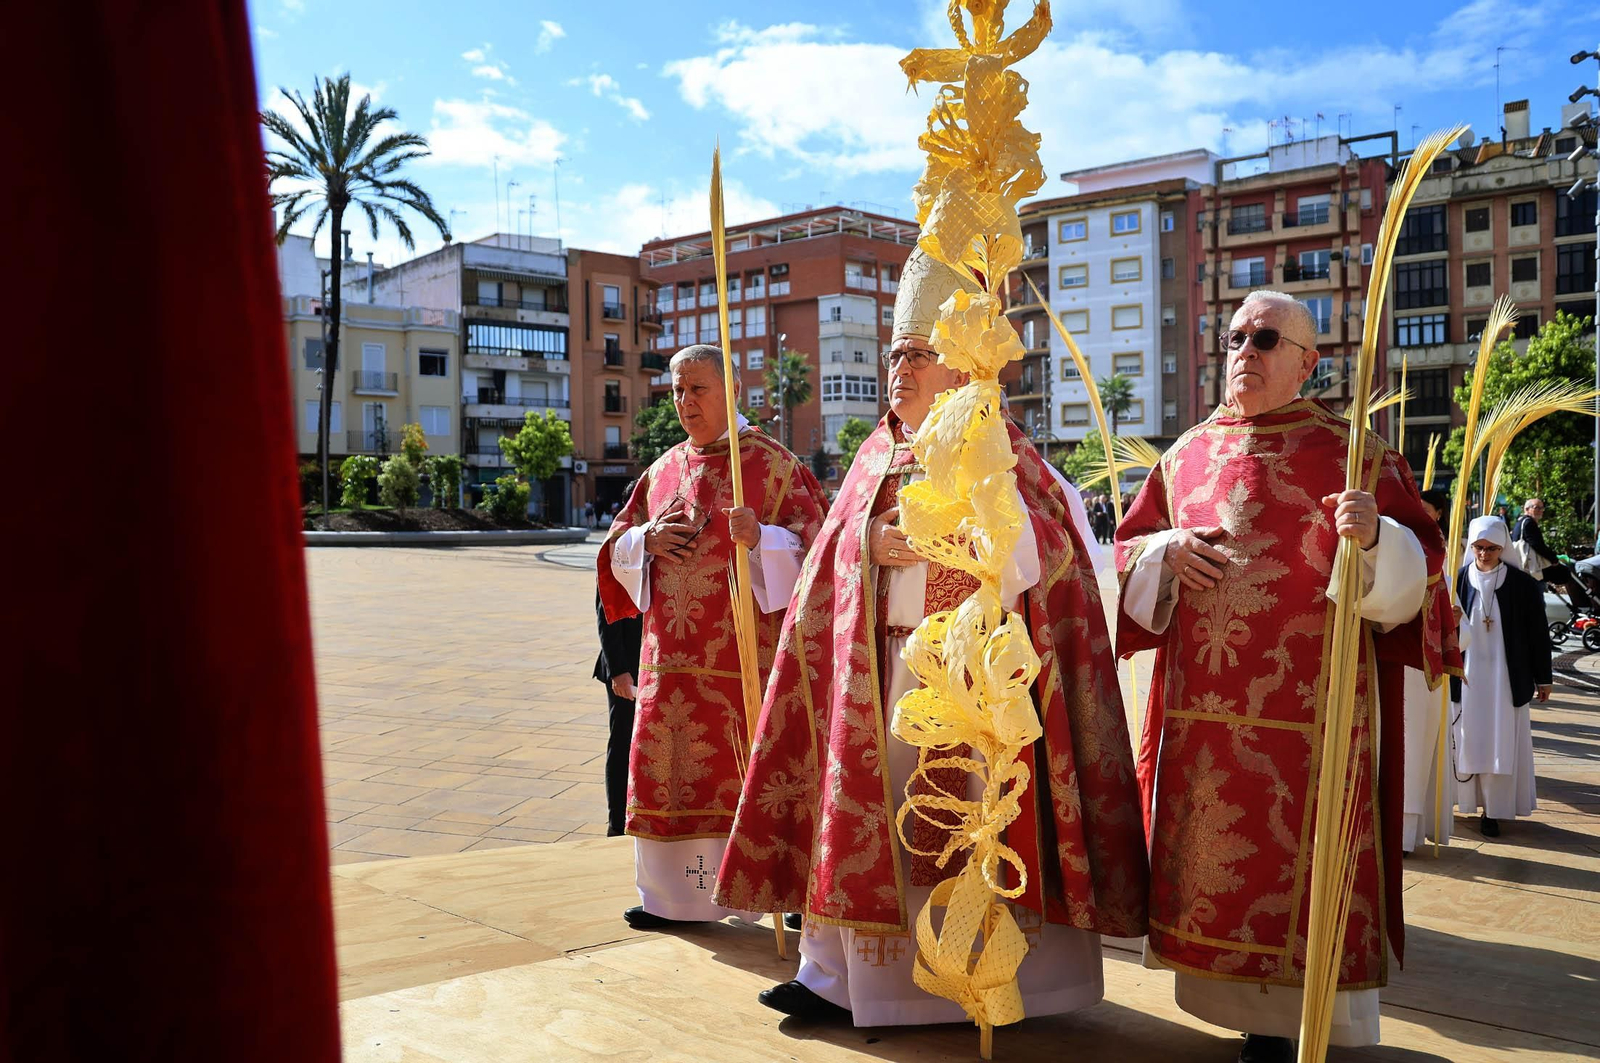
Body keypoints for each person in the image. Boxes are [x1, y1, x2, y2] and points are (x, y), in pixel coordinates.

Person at [716, 249, 1149, 1026]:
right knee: (869, 818)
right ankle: (840, 978)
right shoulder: (875, 451)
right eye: (894, 355)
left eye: (916, 355)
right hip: (882, 669)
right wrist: (868, 547)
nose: (898, 370)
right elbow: (830, 550)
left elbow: (1054, 555)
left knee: (973, 825)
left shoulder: (999, 445)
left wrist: (976, 535)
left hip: (976, 684)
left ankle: (994, 980)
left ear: (956, 365)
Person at [1114, 291, 1457, 1063]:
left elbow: (1427, 573)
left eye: (1266, 338)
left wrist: (1377, 540)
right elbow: (1127, 554)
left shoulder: (1357, 454)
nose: (1245, 349)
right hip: (1202, 728)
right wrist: (1163, 551)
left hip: (1313, 726)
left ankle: (1296, 1027)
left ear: (1309, 361)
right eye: (1233, 335)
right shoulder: (1183, 455)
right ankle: (1239, 1014)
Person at [596, 345, 828, 930]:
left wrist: (767, 537)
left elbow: (822, 548)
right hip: (669, 665)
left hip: (744, 664)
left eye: (697, 388)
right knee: (669, 771)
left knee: (755, 769)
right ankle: (672, 898)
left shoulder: (775, 466)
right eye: (677, 390)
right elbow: (614, 544)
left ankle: (775, 892)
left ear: (731, 388)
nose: (684, 402)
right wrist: (644, 541)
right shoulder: (665, 468)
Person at [1451, 515, 1553, 837]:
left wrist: (1544, 677)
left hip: (1506, 678)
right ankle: (1467, 802)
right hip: (1468, 678)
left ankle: (1493, 811)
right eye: (1479, 547)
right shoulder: (1458, 581)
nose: (1484, 554)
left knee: (1500, 741)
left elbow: (1538, 633)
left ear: (1503, 547)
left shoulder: (1522, 585)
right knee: (1469, 739)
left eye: (1492, 548)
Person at [1402, 488, 1457, 852]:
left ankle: (1407, 834)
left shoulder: (1442, 567)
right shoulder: (1396, 546)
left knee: (1416, 751)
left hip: (1422, 671)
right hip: (1388, 667)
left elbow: (1454, 623)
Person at [594, 480, 644, 838]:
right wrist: (620, 672)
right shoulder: (618, 548)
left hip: (655, 664)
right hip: (626, 667)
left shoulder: (651, 543)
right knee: (623, 741)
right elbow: (606, 615)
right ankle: (616, 825)